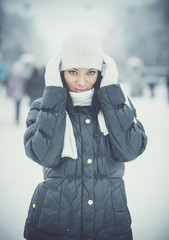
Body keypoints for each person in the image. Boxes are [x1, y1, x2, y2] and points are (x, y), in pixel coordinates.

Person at [23, 32, 148, 240]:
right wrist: (53, 94)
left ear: (102, 73)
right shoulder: (44, 107)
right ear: (60, 72)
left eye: (91, 72)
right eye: (72, 71)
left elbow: (130, 150)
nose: (81, 81)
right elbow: (44, 155)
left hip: (109, 220)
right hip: (54, 220)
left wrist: (111, 93)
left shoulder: (117, 104)